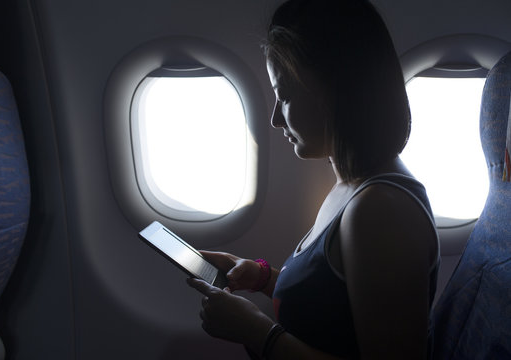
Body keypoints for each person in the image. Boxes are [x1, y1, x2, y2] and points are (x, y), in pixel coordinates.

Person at [187, 0, 440, 359]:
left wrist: (257, 332)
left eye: (285, 96)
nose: (276, 119)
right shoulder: (351, 186)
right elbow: (336, 308)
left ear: (336, 91)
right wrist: (261, 278)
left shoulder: (382, 211)